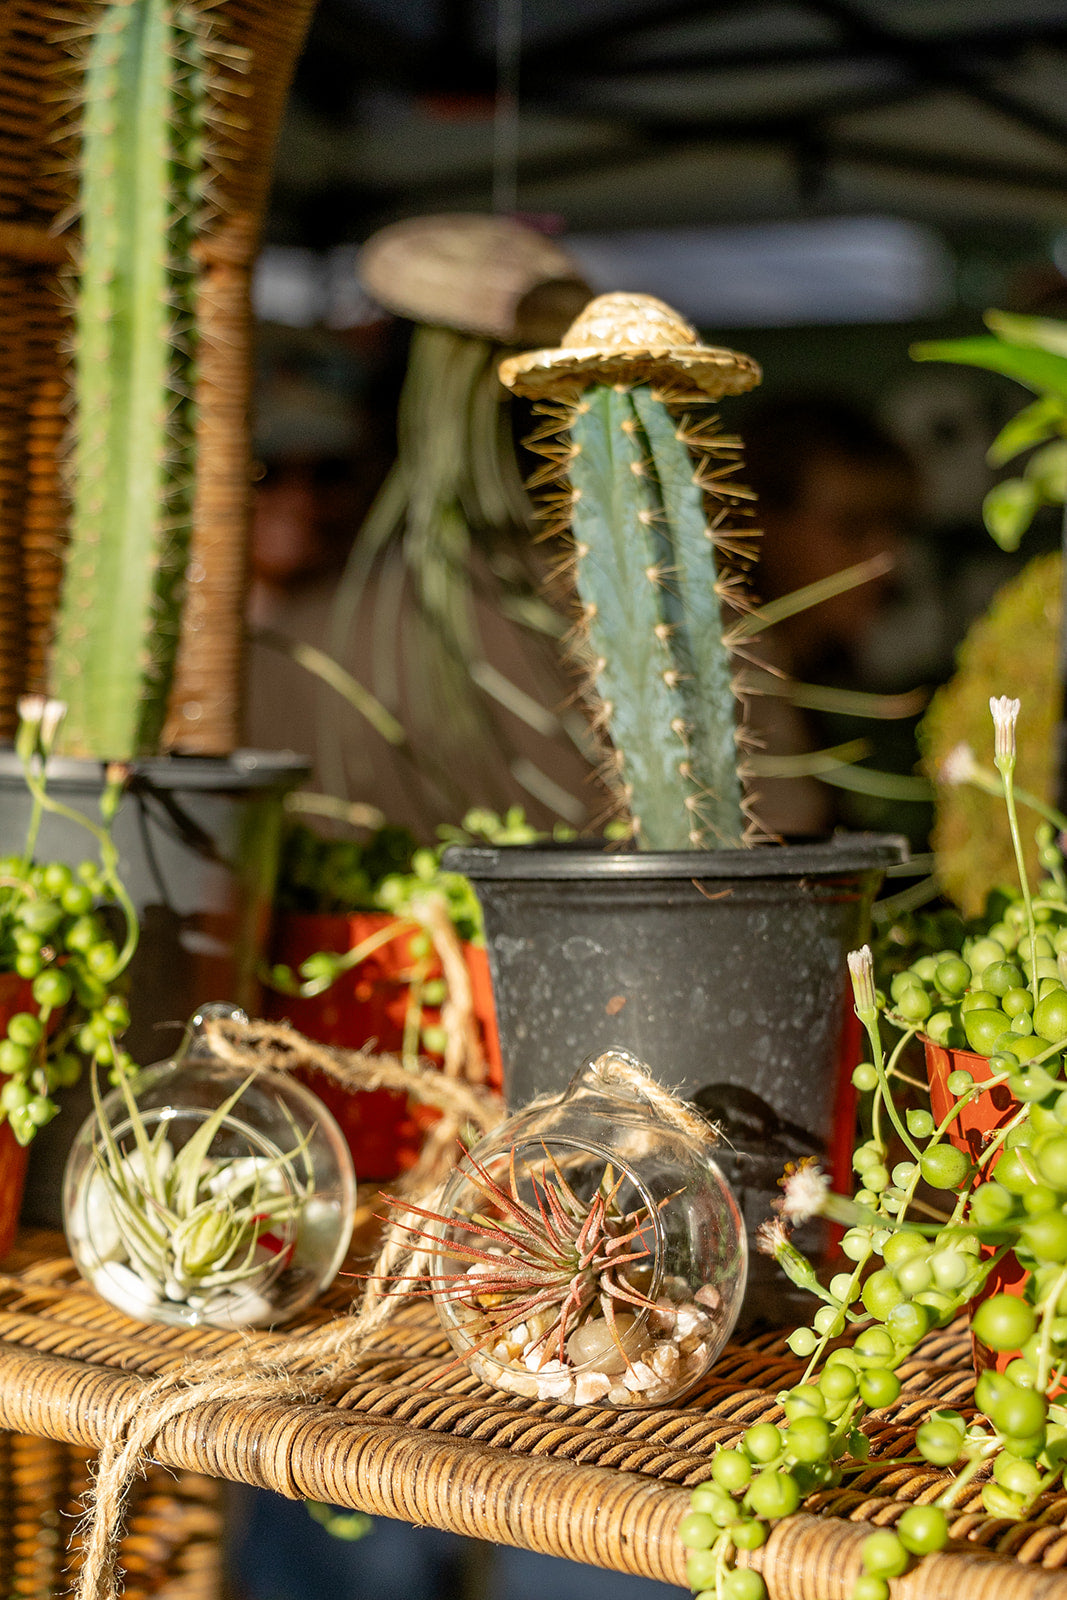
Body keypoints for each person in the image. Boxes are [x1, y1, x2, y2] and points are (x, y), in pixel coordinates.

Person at [738, 393, 920, 837]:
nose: (886, 557)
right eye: (851, 527)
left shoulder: (839, 677)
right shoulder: (727, 674)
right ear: (760, 524)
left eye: (895, 526)